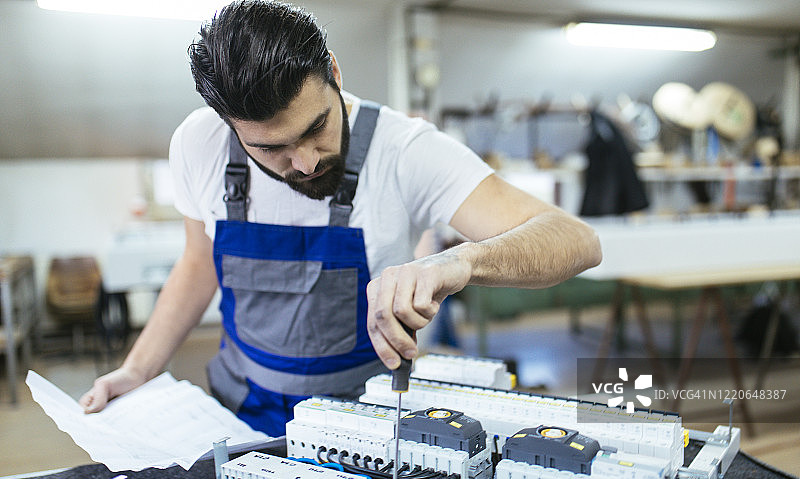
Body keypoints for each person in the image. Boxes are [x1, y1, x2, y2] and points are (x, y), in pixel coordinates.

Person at [80, 0, 602, 436]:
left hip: (365, 420)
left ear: (333, 72)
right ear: (228, 125)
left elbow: (575, 240)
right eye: (272, 148)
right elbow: (199, 263)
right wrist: (139, 369)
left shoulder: (405, 151)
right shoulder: (199, 146)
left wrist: (459, 261)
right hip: (240, 409)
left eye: (316, 128)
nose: (304, 162)